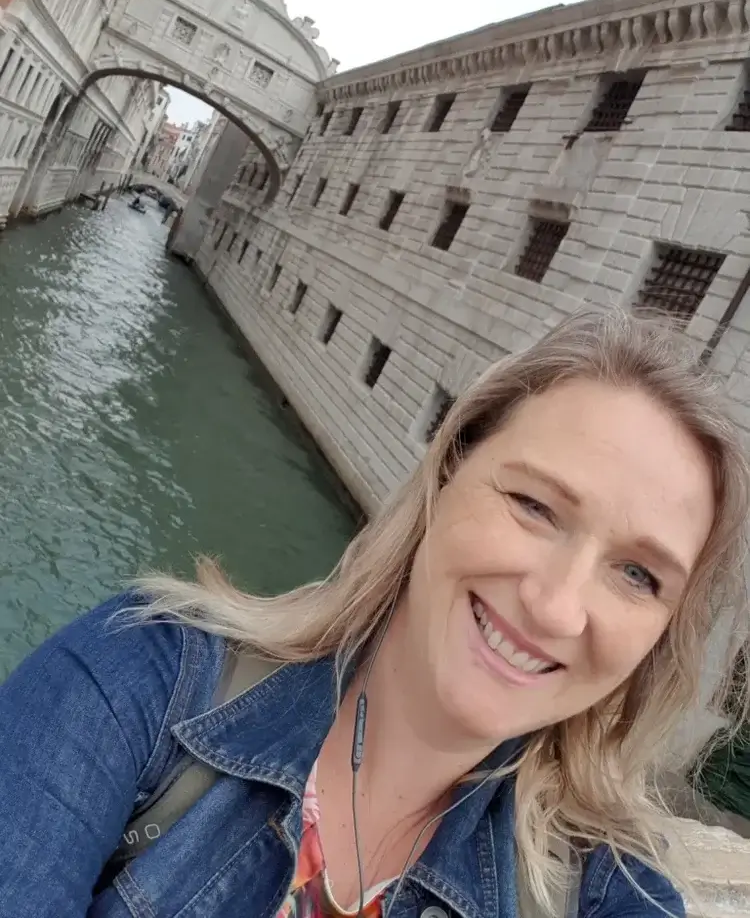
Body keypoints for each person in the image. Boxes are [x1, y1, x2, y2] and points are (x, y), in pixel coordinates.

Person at [0, 307, 748, 918]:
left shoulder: (605, 895)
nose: (555, 607)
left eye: (637, 575)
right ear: (446, 474)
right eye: (534, 506)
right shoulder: (139, 678)